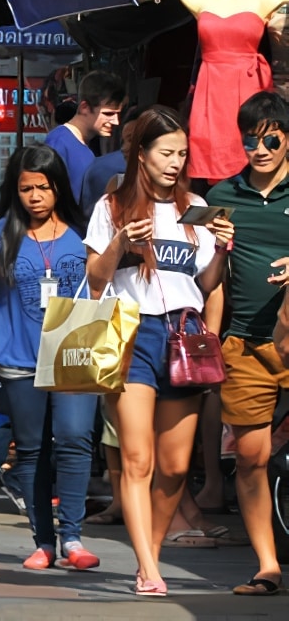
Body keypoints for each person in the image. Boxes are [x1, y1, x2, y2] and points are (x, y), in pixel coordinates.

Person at [85, 106, 234, 597]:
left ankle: (148, 552)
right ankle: (149, 566)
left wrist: (222, 251)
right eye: (166, 152)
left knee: (175, 465)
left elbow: (205, 282)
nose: (175, 162)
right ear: (141, 154)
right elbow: (94, 279)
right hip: (132, 332)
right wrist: (121, 244)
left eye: (182, 154)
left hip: (185, 334)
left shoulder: (198, 208)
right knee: (137, 457)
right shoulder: (112, 207)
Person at [0, 145, 99, 572]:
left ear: (58, 187)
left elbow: (102, 288)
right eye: (26, 188)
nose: (35, 196)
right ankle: (43, 541)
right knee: (33, 449)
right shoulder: (1, 234)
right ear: (15, 190)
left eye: (43, 187)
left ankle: (73, 537)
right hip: (19, 359)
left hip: (75, 352)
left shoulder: (82, 234)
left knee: (77, 439)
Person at [204, 90, 289, 597]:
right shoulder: (223, 194)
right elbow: (209, 281)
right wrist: (217, 247)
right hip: (247, 344)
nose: (258, 148)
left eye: (270, 138)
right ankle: (266, 565)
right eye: (249, 140)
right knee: (252, 457)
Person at [46, 71, 126, 196]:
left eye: (118, 114)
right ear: (84, 107)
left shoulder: (83, 145)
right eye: (108, 114)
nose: (116, 121)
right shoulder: (58, 143)